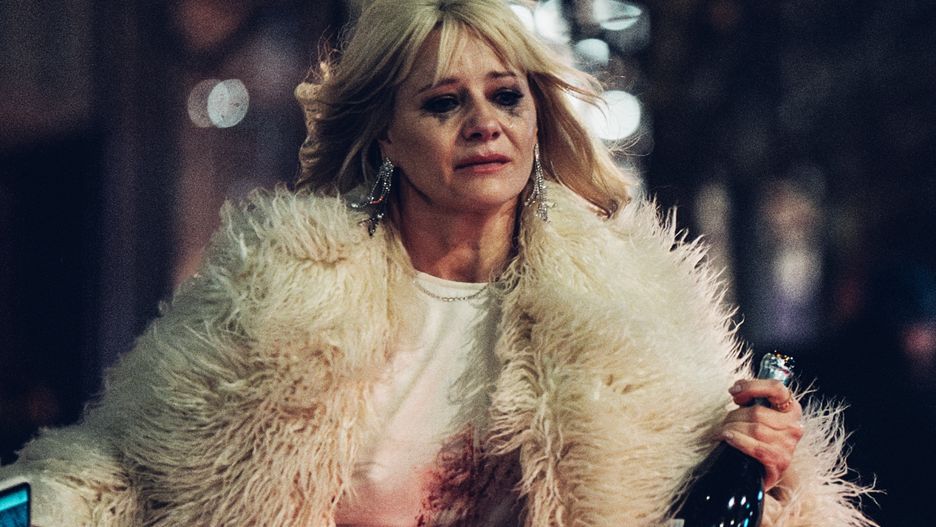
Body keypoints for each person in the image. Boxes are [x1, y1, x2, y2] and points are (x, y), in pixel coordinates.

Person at [0, 0, 873, 525]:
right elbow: (120, 475)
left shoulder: (635, 307)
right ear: (386, 135)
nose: (484, 123)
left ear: (536, 120)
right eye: (444, 103)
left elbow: (715, 506)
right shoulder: (273, 291)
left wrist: (768, 469)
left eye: (506, 97)